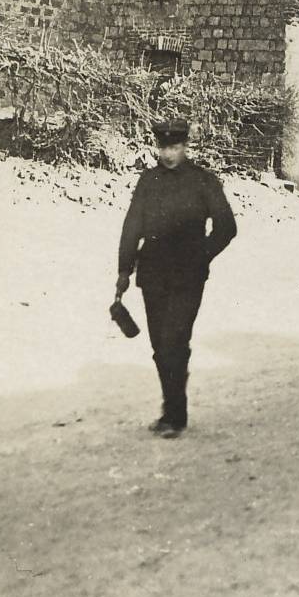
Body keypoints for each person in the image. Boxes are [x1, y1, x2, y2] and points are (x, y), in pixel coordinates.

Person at [116, 118, 237, 438]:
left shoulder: (203, 182)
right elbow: (132, 226)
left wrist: (202, 256)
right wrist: (123, 271)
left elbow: (227, 227)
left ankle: (175, 413)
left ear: (185, 146)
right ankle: (171, 410)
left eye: (174, 147)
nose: (168, 154)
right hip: (153, 275)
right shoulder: (148, 181)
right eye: (163, 147)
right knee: (160, 346)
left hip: (187, 278)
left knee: (175, 340)